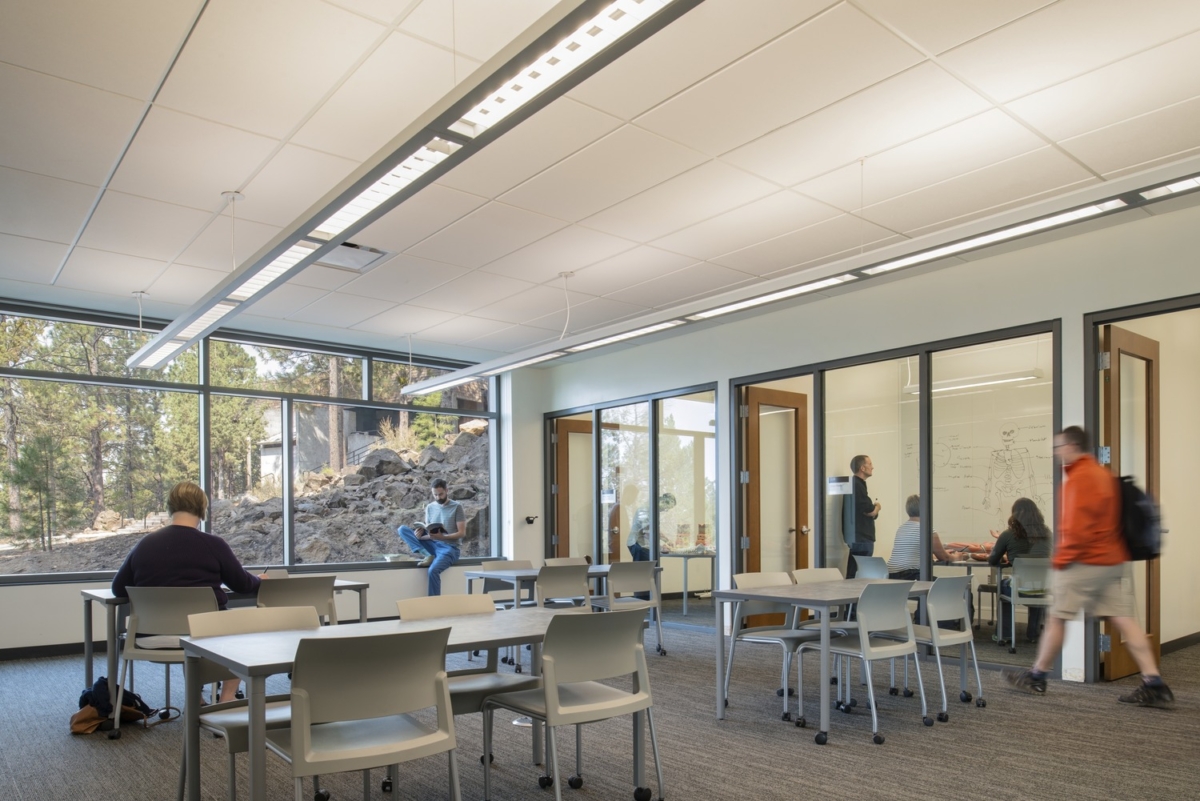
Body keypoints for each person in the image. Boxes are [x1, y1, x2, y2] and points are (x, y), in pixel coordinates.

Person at [1004, 426, 1173, 707]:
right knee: (1124, 620)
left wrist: (1060, 562)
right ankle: (1154, 682)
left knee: (1057, 617)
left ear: (1072, 446)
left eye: (1059, 447)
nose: (1056, 452)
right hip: (1112, 561)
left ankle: (1037, 675)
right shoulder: (1103, 474)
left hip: (1084, 562)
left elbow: (1076, 530)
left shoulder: (1080, 478)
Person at [111, 481, 264, 703]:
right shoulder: (213, 544)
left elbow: (118, 589)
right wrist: (259, 579)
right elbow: (243, 584)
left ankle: (196, 700)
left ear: (170, 506)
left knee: (190, 629)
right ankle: (227, 698)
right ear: (203, 508)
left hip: (148, 638)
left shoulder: (145, 544)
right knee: (243, 628)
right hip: (203, 637)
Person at [989, 497, 1052, 644]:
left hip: (1020, 589)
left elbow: (992, 560)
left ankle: (1005, 634)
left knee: (1003, 585)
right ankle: (1033, 634)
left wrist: (1006, 557)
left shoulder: (1007, 534)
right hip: (1044, 588)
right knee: (1037, 585)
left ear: (1014, 515)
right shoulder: (1047, 534)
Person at [397, 477, 466, 596]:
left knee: (433, 571)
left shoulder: (456, 507)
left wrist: (443, 537)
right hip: (433, 543)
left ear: (447, 490)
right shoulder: (430, 507)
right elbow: (430, 533)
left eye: (441, 494)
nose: (438, 497)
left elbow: (462, 533)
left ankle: (434, 603)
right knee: (402, 529)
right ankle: (427, 554)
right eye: (435, 495)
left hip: (449, 548)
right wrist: (420, 536)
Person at [886, 494, 960, 581]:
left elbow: (912, 553)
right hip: (911, 575)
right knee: (950, 585)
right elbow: (944, 557)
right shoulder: (926, 529)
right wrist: (957, 557)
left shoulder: (901, 529)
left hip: (891, 575)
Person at [844, 454, 880, 579]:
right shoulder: (857, 485)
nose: (872, 467)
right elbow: (870, 510)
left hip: (857, 537)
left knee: (855, 572)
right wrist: (878, 506)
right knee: (859, 574)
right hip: (861, 538)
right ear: (862, 468)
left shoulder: (856, 484)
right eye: (870, 464)